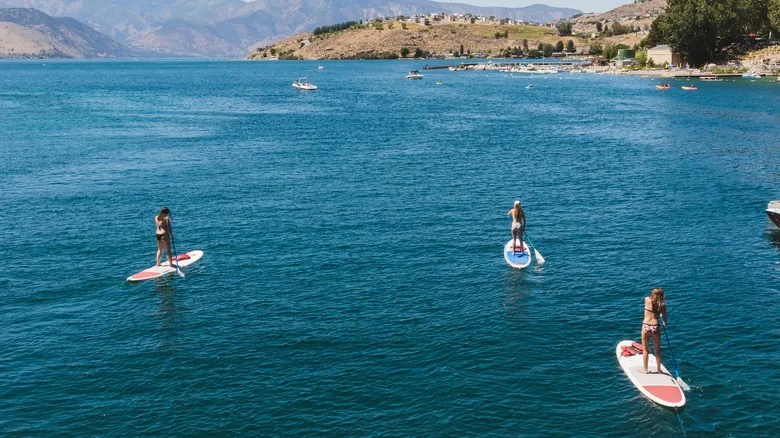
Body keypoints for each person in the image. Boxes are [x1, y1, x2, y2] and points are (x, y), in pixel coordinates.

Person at [641, 287, 667, 374]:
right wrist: (664, 324)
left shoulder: (647, 300)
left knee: (645, 349)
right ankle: (659, 370)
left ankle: (645, 369)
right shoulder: (662, 305)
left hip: (646, 326)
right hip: (655, 326)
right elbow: (664, 321)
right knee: (657, 350)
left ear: (653, 293)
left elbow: (648, 298)